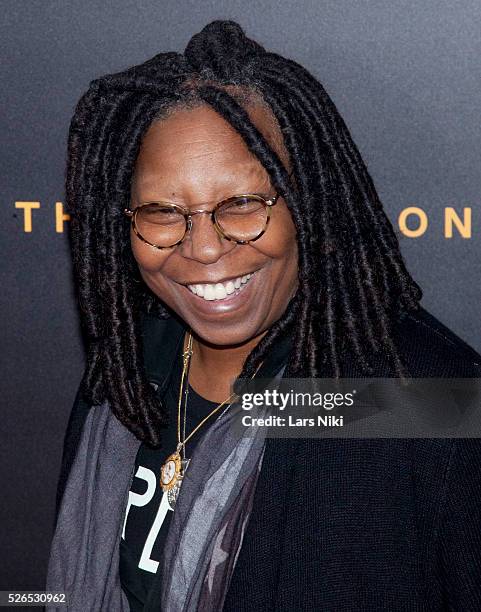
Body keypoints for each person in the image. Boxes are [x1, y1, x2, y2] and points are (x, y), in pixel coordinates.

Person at [46, 20, 481, 612]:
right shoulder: (122, 375)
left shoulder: (426, 399)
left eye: (243, 204)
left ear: (307, 203)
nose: (202, 248)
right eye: (162, 212)